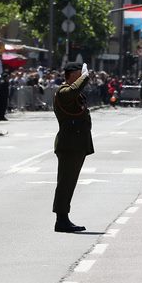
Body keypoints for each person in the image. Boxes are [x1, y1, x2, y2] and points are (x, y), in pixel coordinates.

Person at [53, 61, 94, 232]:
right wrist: (85, 77)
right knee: (65, 183)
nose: (83, 77)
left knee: (69, 183)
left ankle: (64, 217)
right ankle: (61, 219)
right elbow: (73, 90)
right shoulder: (63, 92)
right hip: (69, 144)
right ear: (71, 75)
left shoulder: (75, 94)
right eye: (79, 73)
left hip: (77, 144)